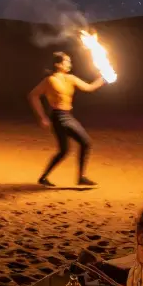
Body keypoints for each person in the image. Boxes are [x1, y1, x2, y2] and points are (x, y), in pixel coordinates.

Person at [28, 51, 105, 187]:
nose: (70, 64)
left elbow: (89, 87)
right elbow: (33, 95)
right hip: (58, 117)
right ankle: (81, 178)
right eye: (67, 61)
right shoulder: (50, 80)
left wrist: (102, 78)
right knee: (86, 142)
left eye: (70, 61)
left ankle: (43, 178)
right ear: (58, 64)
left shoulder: (71, 78)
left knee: (64, 150)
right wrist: (42, 117)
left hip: (68, 115)